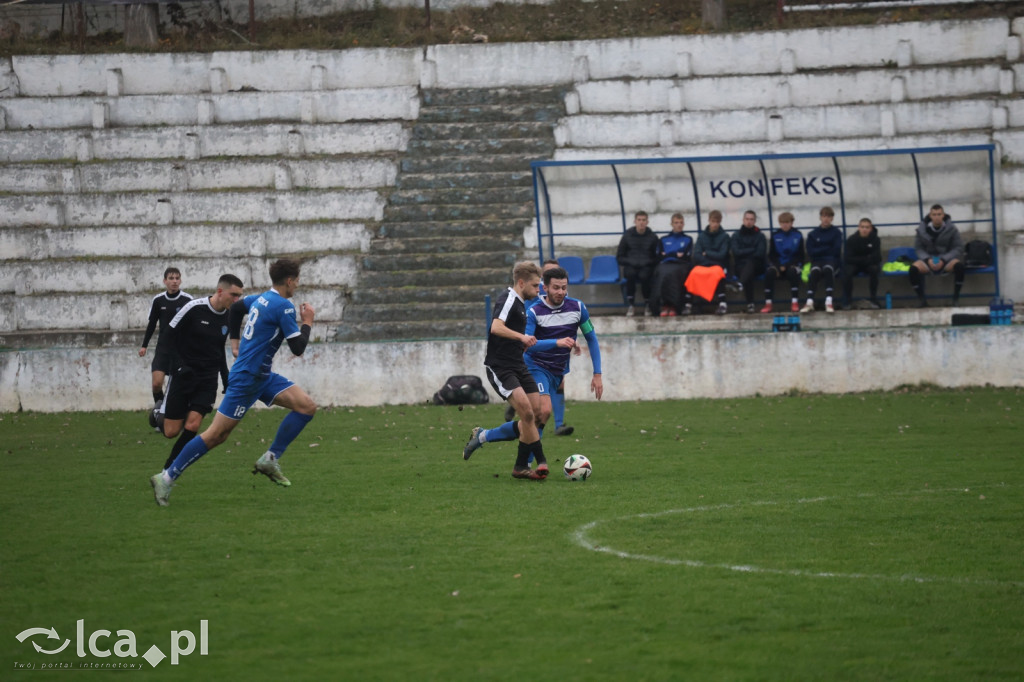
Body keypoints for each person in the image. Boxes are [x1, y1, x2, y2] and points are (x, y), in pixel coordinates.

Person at [150, 259, 317, 506]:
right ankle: (166, 477)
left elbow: (237, 309)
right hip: (247, 378)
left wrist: (235, 342)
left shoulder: (259, 299)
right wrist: (308, 321)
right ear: (290, 281)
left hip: (262, 375)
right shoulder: (283, 306)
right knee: (217, 434)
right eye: (297, 281)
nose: (297, 285)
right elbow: (298, 348)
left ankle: (270, 458)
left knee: (306, 406)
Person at [469, 266, 603, 466]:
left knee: (533, 418)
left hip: (558, 371)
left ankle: (485, 436)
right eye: (556, 288)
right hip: (536, 367)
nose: (560, 292)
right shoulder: (534, 311)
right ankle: (530, 463)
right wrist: (558, 342)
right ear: (545, 288)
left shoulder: (578, 307)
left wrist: (597, 373)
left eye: (564, 288)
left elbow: (591, 338)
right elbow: (528, 345)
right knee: (543, 411)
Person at [462, 261, 551, 480]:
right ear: (521, 283)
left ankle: (486, 439)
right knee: (527, 413)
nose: (538, 289)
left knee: (538, 414)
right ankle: (540, 461)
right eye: (534, 285)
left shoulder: (522, 303)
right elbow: (495, 327)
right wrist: (522, 337)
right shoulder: (508, 298)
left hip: (518, 365)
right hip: (500, 367)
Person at [153, 274, 244, 472]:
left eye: (240, 296)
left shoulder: (230, 317)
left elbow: (219, 349)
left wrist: (226, 378)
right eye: (234, 295)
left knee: (193, 426)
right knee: (170, 431)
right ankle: (158, 413)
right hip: (184, 374)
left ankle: (168, 472)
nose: (237, 301)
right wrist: (177, 366)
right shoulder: (194, 308)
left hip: (207, 378)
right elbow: (168, 335)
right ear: (220, 291)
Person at [504, 259, 578, 436]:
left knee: (557, 388)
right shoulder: (532, 301)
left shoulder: (562, 298)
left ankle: (558, 425)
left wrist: (572, 339)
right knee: (536, 409)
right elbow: (526, 328)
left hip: (556, 353)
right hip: (534, 351)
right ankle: (513, 412)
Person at [139, 267, 192, 427]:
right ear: (165, 281)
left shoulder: (187, 300)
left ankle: (179, 417)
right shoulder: (158, 300)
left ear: (180, 280)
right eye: (171, 278)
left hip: (181, 350)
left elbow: (193, 324)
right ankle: (159, 412)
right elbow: (152, 324)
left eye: (177, 278)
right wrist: (144, 345)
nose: (174, 281)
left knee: (179, 386)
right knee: (156, 384)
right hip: (163, 348)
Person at [909, 204, 966, 307]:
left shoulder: (952, 229)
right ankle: (922, 300)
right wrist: (927, 259)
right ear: (930, 216)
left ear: (943, 215)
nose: (937, 217)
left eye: (939, 214)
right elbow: (918, 248)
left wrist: (944, 259)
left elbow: (958, 248)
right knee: (913, 269)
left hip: (946, 259)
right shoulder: (921, 230)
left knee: (959, 267)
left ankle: (955, 299)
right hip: (928, 259)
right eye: (934, 214)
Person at [684, 209, 731, 315]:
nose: (715, 224)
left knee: (718, 273)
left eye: (717, 222)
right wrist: (709, 258)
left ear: (720, 222)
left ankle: (722, 304)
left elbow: (722, 255)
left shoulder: (724, 236)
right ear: (709, 220)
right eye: (713, 221)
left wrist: (707, 253)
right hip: (704, 265)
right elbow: (697, 255)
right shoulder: (702, 236)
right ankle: (688, 304)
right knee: (693, 273)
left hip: (717, 265)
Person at [616, 210, 659, 317]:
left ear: (647, 222)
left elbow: (657, 257)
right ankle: (631, 305)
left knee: (645, 276)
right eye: (639, 220)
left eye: (644, 220)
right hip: (631, 265)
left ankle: (647, 304)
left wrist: (647, 262)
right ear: (635, 221)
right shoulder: (627, 236)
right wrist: (632, 262)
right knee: (630, 274)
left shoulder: (653, 237)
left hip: (646, 266)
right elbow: (619, 257)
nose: (641, 223)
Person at [801, 206, 843, 313]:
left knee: (828, 269)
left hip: (832, 261)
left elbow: (836, 250)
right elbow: (810, 252)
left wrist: (819, 248)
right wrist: (827, 247)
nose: (826, 219)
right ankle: (809, 302)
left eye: (829, 216)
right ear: (820, 217)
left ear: (832, 218)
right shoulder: (813, 234)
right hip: (817, 261)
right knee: (815, 271)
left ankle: (828, 302)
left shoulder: (836, 232)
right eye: (824, 216)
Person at [760, 211, 804, 313]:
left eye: (787, 222)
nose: (785, 225)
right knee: (769, 273)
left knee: (792, 272)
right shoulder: (775, 235)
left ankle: (794, 302)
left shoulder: (798, 235)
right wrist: (778, 266)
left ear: (791, 223)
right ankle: (768, 303)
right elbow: (772, 255)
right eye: (782, 222)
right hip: (778, 265)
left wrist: (787, 265)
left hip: (793, 264)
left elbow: (800, 256)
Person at [651, 212, 693, 317]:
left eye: (681, 223)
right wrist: (676, 254)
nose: (679, 225)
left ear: (683, 224)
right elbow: (659, 256)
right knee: (660, 272)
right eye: (676, 222)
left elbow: (686, 256)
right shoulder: (663, 239)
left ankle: (674, 306)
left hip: (681, 265)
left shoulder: (688, 239)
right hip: (665, 264)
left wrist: (669, 254)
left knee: (674, 274)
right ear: (672, 224)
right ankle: (664, 305)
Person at [731, 210, 767, 314]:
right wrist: (752, 249)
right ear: (743, 220)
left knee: (751, 264)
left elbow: (760, 253)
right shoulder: (736, 235)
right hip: (740, 266)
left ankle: (740, 285)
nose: (749, 222)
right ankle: (750, 304)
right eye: (747, 219)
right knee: (747, 272)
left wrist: (745, 252)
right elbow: (736, 252)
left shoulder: (760, 235)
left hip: (757, 265)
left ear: (755, 221)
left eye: (751, 219)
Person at [841, 218, 882, 309]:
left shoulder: (875, 240)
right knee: (847, 272)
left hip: (868, 265)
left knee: (875, 269)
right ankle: (848, 301)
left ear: (870, 228)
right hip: (855, 265)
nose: (864, 229)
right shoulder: (852, 239)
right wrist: (866, 258)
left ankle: (873, 299)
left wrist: (861, 259)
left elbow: (877, 257)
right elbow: (847, 258)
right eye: (862, 227)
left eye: (867, 227)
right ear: (859, 228)